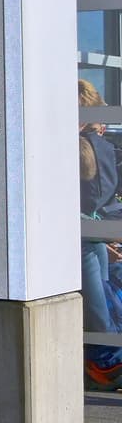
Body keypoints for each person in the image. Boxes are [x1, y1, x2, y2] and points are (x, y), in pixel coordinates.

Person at [81, 80, 121, 389]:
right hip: (92, 234)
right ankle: (104, 359)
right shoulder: (98, 147)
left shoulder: (87, 147)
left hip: (94, 232)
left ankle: (105, 359)